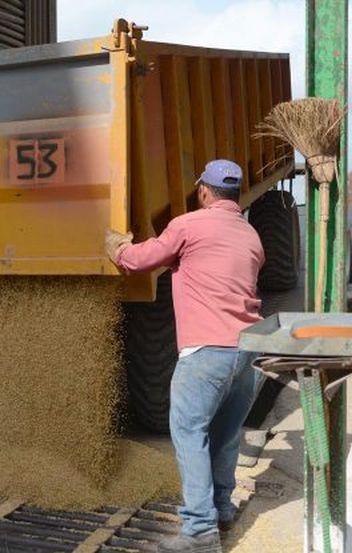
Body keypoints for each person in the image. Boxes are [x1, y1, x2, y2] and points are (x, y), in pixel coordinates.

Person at [104, 159, 264, 553]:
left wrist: (117, 247)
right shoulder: (251, 235)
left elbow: (140, 261)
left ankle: (198, 532)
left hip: (206, 353)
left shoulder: (189, 225)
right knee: (225, 437)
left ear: (204, 191)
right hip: (248, 354)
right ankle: (222, 511)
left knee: (190, 435)